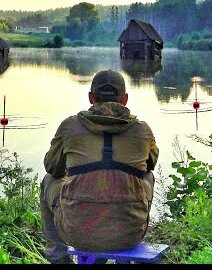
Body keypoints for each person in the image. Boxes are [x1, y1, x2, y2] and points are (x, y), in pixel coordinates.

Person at [40, 69, 159, 264]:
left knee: (48, 181)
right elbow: (150, 165)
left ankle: (58, 257)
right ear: (125, 99)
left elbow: (53, 168)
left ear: (91, 98)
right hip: (130, 235)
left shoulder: (69, 127)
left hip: (77, 234)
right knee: (147, 177)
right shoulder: (142, 131)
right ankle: (131, 221)